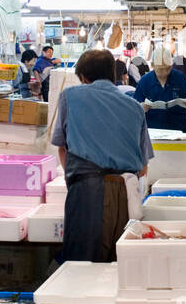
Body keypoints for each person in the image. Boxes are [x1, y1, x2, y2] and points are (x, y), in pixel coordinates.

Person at [50, 49, 153, 262]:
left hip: (86, 194)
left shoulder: (70, 96)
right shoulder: (135, 107)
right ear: (113, 75)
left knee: (82, 268)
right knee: (121, 268)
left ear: (84, 78)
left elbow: (62, 148)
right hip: (125, 197)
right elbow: (143, 168)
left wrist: (76, 183)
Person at [134, 48, 186, 132]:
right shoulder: (144, 81)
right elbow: (134, 107)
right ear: (153, 65)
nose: (164, 72)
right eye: (160, 69)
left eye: (168, 68)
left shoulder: (179, 77)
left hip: (180, 131)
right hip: (153, 132)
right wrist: (141, 107)